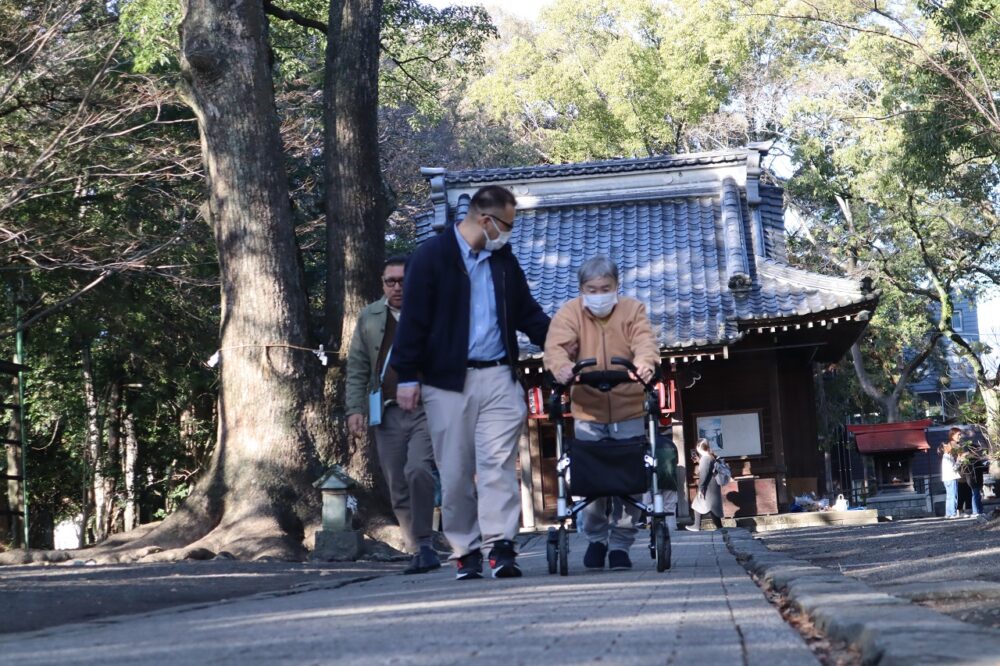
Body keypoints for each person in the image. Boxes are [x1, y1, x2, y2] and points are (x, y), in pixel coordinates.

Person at [392, 185, 550, 580]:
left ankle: (500, 546)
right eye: (506, 225)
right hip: (448, 381)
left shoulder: (503, 261)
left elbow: (528, 313)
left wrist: (564, 343)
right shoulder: (431, 258)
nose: (508, 233)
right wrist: (408, 376)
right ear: (485, 220)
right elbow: (412, 322)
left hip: (498, 374)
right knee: (456, 469)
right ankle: (465, 548)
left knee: (497, 464)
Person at [544, 256, 659, 571]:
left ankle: (621, 544)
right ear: (582, 289)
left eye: (605, 288)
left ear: (616, 286)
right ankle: (596, 539)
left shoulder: (632, 310)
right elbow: (556, 347)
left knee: (630, 480)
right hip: (588, 408)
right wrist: (562, 366)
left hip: (629, 403)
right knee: (592, 479)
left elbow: (644, 342)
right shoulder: (569, 314)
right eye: (591, 289)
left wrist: (645, 363)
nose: (598, 294)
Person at [344, 255, 440, 574]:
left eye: (403, 280)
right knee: (396, 482)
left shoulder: (430, 311)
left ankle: (425, 542)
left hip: (426, 408)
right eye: (391, 281)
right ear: (382, 284)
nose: (397, 287)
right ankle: (418, 548)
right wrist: (355, 409)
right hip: (385, 410)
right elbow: (357, 366)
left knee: (418, 471)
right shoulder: (370, 317)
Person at [686, 438, 724, 531]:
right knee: (712, 507)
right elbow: (708, 470)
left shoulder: (705, 459)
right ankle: (720, 527)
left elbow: (703, 474)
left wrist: (701, 488)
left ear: (698, 447)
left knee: (697, 504)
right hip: (712, 486)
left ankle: (696, 526)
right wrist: (699, 461)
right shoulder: (710, 457)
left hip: (708, 486)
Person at [940, 434, 961, 519]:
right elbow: (954, 468)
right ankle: (952, 513)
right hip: (951, 477)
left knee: (949, 496)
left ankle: (948, 513)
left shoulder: (945, 457)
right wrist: (959, 461)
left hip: (946, 478)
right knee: (953, 496)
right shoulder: (948, 457)